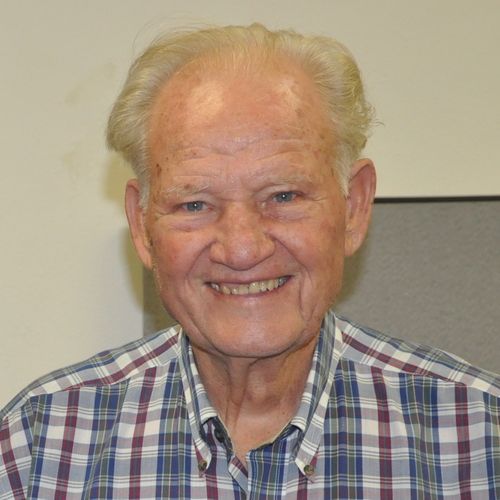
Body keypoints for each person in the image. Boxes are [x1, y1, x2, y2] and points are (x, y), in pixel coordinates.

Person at [0, 23, 498, 499]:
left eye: (283, 196)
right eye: (194, 204)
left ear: (354, 207)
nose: (242, 249)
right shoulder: (37, 446)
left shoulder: (481, 439)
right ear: (142, 225)